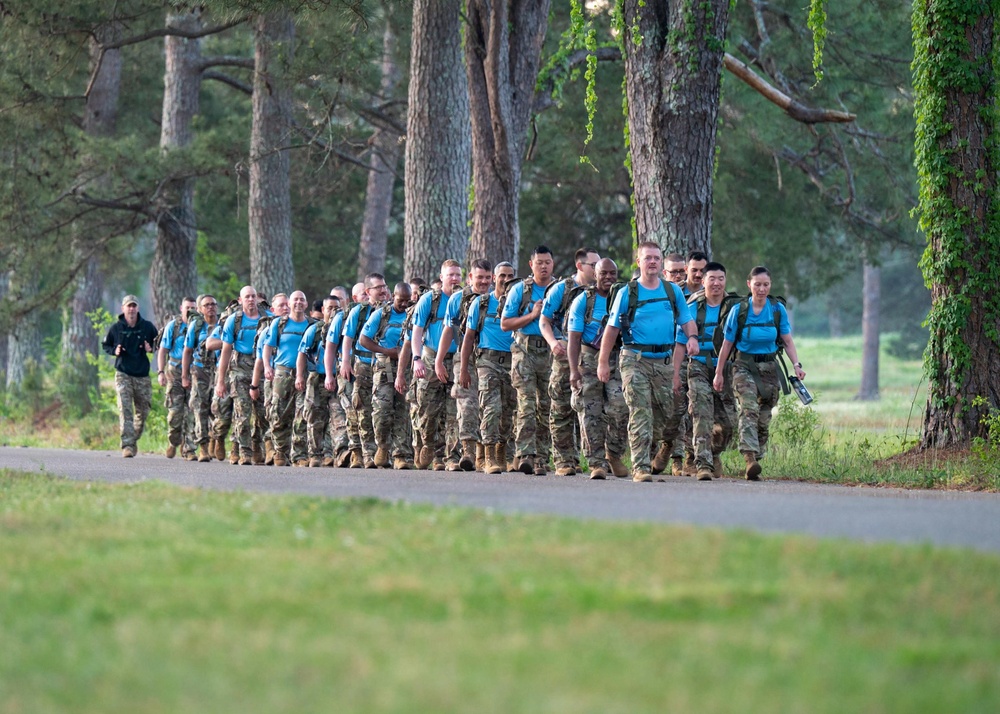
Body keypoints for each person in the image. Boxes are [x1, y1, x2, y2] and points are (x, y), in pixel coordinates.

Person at [597, 242, 699, 482]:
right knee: (640, 411)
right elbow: (611, 330)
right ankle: (640, 467)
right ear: (639, 262)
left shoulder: (672, 291)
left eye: (656, 258)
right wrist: (603, 362)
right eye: (648, 258)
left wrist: (692, 337)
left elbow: (686, 319)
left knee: (665, 414)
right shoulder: (627, 292)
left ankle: (647, 454)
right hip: (635, 359)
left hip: (664, 361)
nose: (652, 262)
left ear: (661, 262)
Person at [713, 266, 806, 480]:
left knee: (764, 417)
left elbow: (787, 340)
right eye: (757, 285)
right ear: (749, 285)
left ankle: (757, 455)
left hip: (769, 368)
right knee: (748, 409)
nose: (762, 289)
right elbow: (726, 345)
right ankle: (749, 458)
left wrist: (797, 365)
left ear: (770, 286)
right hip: (743, 366)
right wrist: (719, 373)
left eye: (766, 285)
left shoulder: (776, 310)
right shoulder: (740, 310)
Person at [674, 262, 738, 480]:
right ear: (703, 281)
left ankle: (712, 453)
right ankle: (702, 464)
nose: (717, 283)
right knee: (702, 414)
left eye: (721, 278)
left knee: (729, 422)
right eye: (712, 278)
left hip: (726, 368)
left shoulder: (734, 308)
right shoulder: (692, 307)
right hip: (699, 366)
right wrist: (675, 375)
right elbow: (680, 344)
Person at [540, 247, 600, 476]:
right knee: (561, 406)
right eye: (592, 265)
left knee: (588, 407)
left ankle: (594, 458)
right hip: (564, 355)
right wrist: (553, 342)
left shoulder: (601, 290)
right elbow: (544, 321)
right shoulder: (562, 290)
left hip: (591, 356)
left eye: (598, 265)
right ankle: (564, 459)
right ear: (579, 266)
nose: (596, 270)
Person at [567, 258, 629, 479]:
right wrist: (574, 370)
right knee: (590, 412)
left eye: (613, 273)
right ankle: (596, 463)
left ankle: (613, 453)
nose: (609, 278)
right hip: (589, 358)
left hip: (616, 358)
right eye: (604, 273)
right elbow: (573, 339)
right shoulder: (584, 300)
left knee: (621, 407)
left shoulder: (623, 296)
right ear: (595, 274)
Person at [500, 245, 557, 475]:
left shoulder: (559, 289)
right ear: (531, 265)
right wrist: (532, 316)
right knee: (526, 403)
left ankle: (542, 457)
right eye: (539, 262)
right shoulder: (520, 291)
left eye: (548, 262)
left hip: (551, 353)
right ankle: (525, 454)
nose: (544, 266)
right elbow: (505, 324)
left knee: (547, 405)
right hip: (524, 350)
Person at [459, 261, 517, 474]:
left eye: (510, 275)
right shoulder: (481, 303)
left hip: (513, 361)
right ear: (494, 278)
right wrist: (464, 369)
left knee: (509, 410)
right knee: (491, 408)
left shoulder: (518, 303)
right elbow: (468, 338)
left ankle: (502, 450)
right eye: (502, 275)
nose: (505, 279)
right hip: (487, 362)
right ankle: (489, 455)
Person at [435, 260, 492, 471]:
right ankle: (467, 450)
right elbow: (448, 331)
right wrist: (440, 360)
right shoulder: (457, 300)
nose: (484, 281)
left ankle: (484, 453)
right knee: (467, 404)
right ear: (470, 278)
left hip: (491, 358)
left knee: (488, 406)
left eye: (487, 278)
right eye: (480, 277)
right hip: (464, 358)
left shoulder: (495, 299)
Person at [411, 260, 464, 470]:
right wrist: (417, 359)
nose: (455, 279)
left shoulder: (464, 300)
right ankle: (428, 444)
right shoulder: (429, 300)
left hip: (457, 359)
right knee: (428, 411)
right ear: (442, 277)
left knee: (454, 411)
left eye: (458, 275)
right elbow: (416, 332)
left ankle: (450, 456)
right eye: (450, 275)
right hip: (431, 358)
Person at [360, 283, 414, 469]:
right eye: (401, 300)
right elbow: (363, 339)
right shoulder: (382, 315)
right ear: (393, 297)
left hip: (407, 367)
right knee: (382, 410)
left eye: (408, 301)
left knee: (403, 411)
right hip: (384, 367)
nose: (404, 304)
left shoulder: (413, 314)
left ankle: (401, 454)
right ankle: (382, 446)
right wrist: (385, 350)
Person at [341, 274, 388, 468]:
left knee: (383, 410)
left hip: (385, 365)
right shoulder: (359, 313)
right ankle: (367, 453)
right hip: (363, 364)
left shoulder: (391, 310)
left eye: (384, 286)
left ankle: (384, 452)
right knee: (362, 409)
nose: (383, 290)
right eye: (378, 288)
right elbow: (348, 338)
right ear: (368, 292)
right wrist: (345, 361)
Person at [102, 294, 158, 458]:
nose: (131, 309)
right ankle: (127, 445)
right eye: (128, 306)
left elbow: (158, 343)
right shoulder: (116, 328)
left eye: (134, 306)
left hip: (142, 374)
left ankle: (132, 439)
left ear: (138, 308)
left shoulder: (147, 327)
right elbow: (106, 345)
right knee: (125, 410)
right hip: (123, 373)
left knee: (143, 412)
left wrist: (150, 348)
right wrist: (115, 351)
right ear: (123, 309)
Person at [215, 285, 265, 465]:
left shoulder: (266, 319)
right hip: (239, 369)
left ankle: (256, 445)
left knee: (262, 412)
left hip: (261, 368)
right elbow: (226, 351)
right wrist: (221, 380)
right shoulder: (233, 321)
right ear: (240, 300)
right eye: (247, 297)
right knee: (242, 411)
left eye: (253, 296)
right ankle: (243, 451)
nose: (251, 300)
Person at [263, 290, 311, 466]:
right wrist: (268, 367)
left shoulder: (311, 325)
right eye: (295, 299)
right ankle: (280, 451)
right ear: (290, 304)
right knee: (279, 414)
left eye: (302, 299)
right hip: (282, 373)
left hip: (305, 374)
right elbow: (267, 347)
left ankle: (298, 455)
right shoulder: (279, 324)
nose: (298, 302)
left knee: (302, 414)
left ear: (306, 304)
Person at [156, 296, 198, 460]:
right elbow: (162, 351)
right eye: (187, 307)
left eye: (193, 307)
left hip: (194, 372)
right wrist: (160, 372)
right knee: (175, 414)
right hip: (174, 373)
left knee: (192, 411)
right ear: (182, 308)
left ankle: (189, 449)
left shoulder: (199, 326)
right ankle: (174, 441)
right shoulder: (174, 326)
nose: (190, 310)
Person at [181, 294, 220, 462]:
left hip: (220, 371)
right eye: (206, 305)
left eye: (213, 304)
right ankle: (203, 447)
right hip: (200, 369)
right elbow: (187, 351)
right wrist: (184, 376)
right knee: (200, 408)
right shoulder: (197, 327)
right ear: (200, 309)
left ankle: (216, 438)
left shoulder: (224, 324)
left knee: (220, 409)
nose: (210, 307)